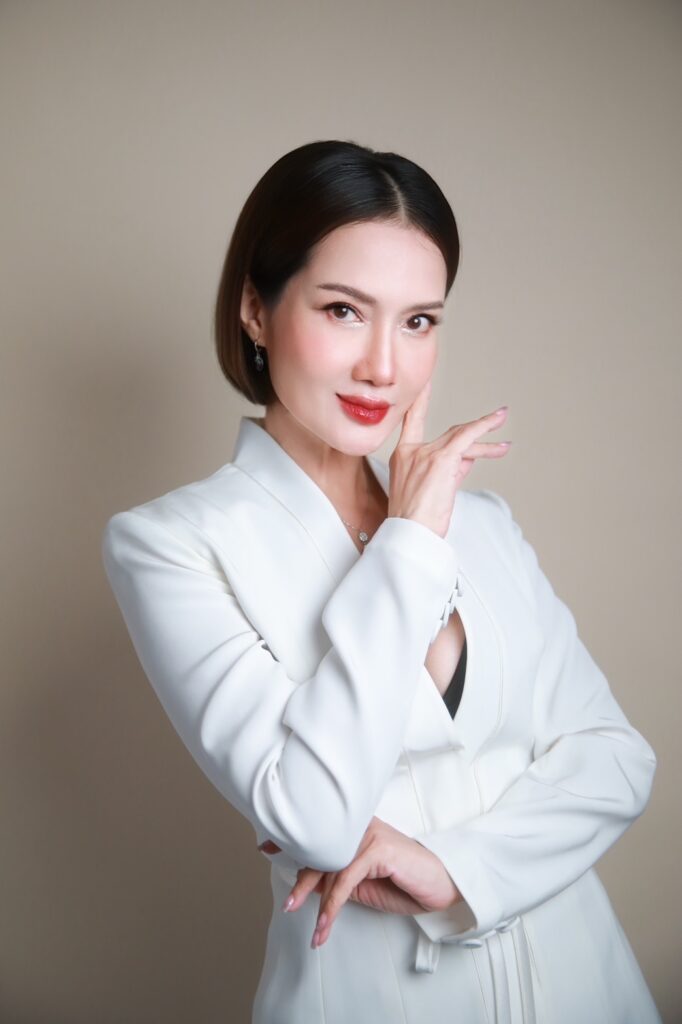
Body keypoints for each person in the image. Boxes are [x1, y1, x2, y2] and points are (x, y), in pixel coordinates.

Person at [101, 140, 662, 1023]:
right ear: (254, 308)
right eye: (342, 310)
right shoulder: (172, 545)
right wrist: (406, 544)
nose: (384, 368)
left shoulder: (484, 523)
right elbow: (316, 817)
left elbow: (618, 759)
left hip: (588, 985)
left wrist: (457, 871)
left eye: (418, 321)